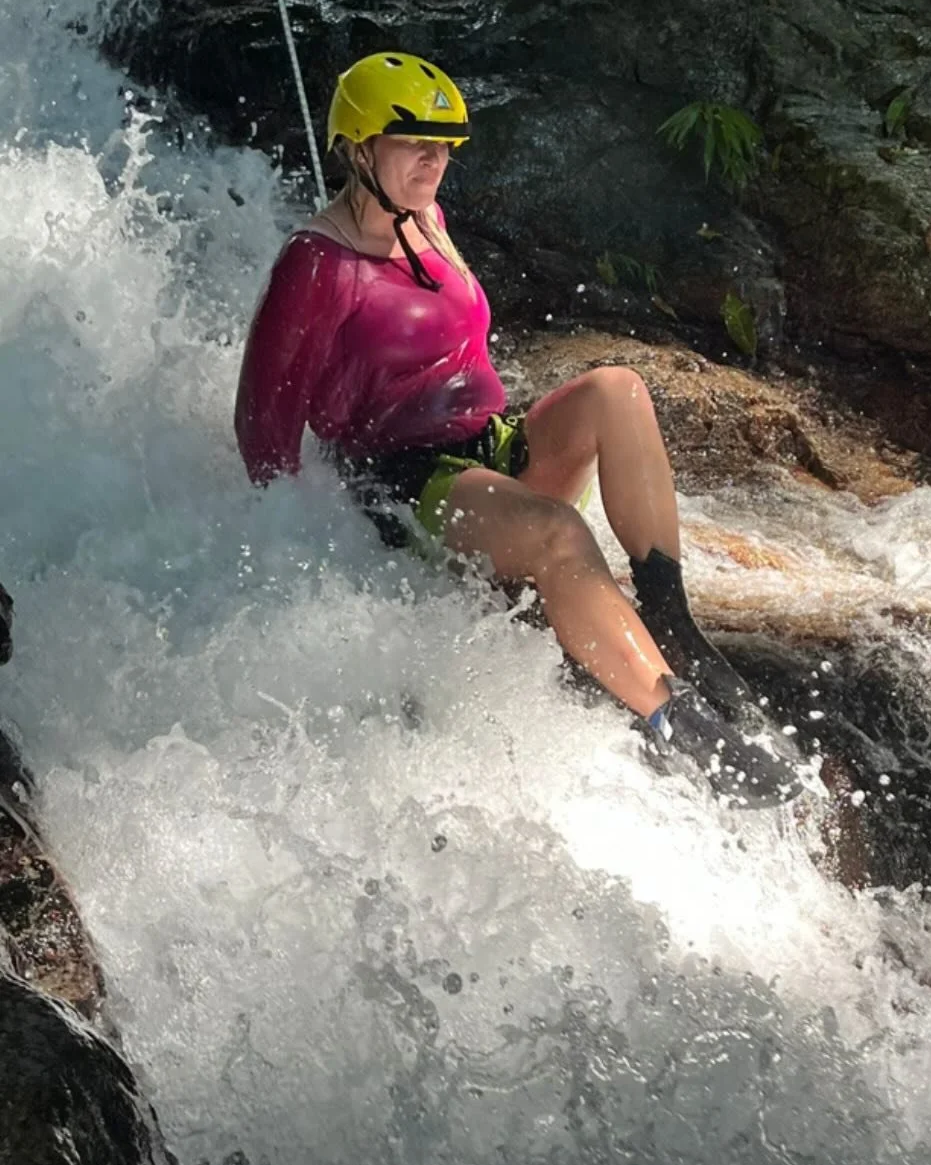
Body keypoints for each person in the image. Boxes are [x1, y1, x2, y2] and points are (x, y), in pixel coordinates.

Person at [234, 52, 808, 805]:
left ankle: (671, 620)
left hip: (487, 447)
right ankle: (677, 724)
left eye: (443, 149)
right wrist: (299, 553)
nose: (435, 164)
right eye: (415, 147)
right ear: (359, 148)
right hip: (405, 483)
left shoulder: (427, 222)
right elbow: (261, 428)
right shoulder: (317, 263)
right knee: (560, 532)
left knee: (618, 390)